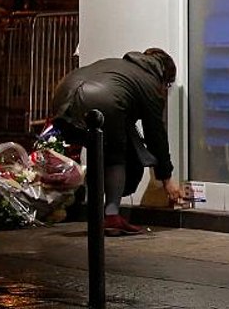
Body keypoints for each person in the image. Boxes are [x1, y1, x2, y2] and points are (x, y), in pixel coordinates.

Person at [48, 48, 184, 236]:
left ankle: (96, 215)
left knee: (98, 151)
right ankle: (112, 216)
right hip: (102, 100)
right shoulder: (151, 82)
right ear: (164, 76)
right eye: (167, 86)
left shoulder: (119, 66)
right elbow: (156, 135)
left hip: (63, 95)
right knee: (115, 157)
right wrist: (167, 178)